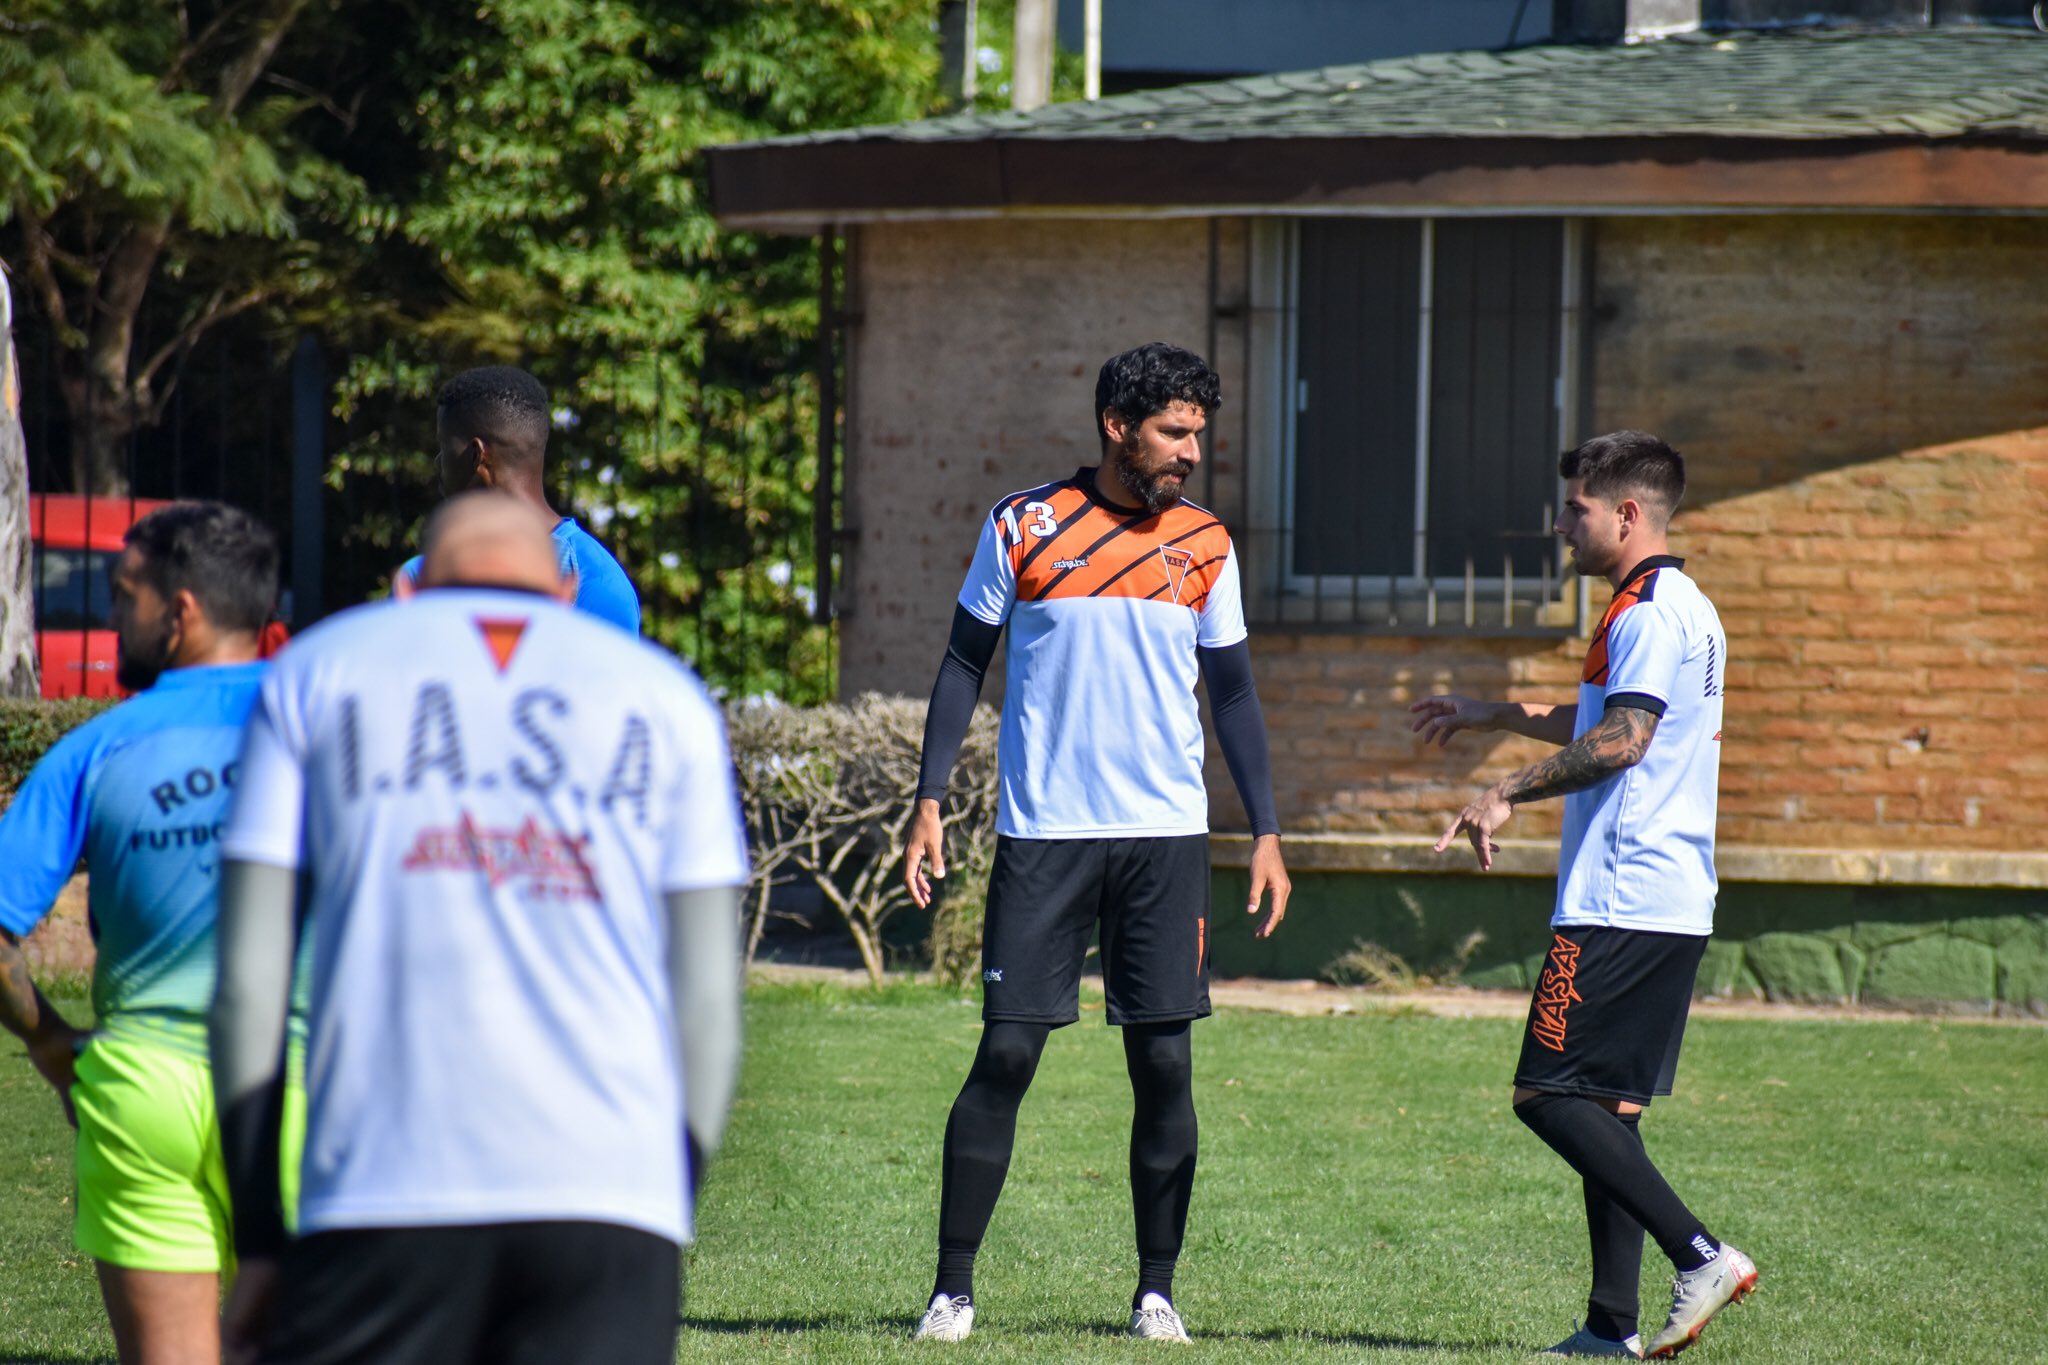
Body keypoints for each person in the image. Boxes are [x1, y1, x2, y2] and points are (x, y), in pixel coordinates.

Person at [211, 492, 746, 1365]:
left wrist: (261, 1235)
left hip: (379, 1190)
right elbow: (710, 1005)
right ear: (567, 592)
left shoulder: (318, 671)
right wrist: (665, 1191)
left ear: (407, 590)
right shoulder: (669, 700)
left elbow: (247, 985)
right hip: (609, 1201)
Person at [902, 342, 1290, 1344]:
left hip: (1164, 838)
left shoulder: (1205, 541)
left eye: (1198, 433)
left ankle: (1156, 1292)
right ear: (1117, 426)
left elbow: (1234, 695)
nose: (1191, 452)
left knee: (1164, 1065)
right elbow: (962, 662)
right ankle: (951, 1292)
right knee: (1007, 1052)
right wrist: (929, 799)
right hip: (1046, 833)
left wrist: (1266, 831)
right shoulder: (1022, 523)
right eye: (1173, 431)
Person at [1413, 431, 1756, 1360]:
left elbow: (1625, 739)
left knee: (1545, 1094)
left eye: (1576, 508)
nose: (1562, 525)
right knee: (1607, 1112)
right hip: (1670, 897)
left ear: (1627, 513)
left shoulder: (1644, 612)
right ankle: (1611, 1326)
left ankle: (1702, 1254)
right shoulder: (1685, 605)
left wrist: (1505, 789)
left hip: (1619, 896)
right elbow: (1608, 714)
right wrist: (1492, 713)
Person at [0, 502, 286, 1365]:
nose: (113, 612)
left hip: (141, 1088)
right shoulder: (332, 731)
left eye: (126, 595)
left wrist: (49, 1041)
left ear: (181, 610)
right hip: (303, 1087)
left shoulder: (98, 749)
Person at [397, 364, 640, 633]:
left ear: (476, 454)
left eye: (444, 446)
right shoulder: (599, 580)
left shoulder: (593, 584)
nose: (438, 461)